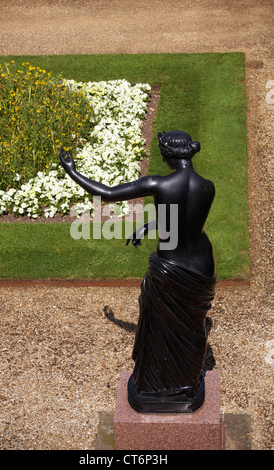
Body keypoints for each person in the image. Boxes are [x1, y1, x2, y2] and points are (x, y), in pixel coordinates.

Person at [59, 130, 217, 413]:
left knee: (160, 323)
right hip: (202, 265)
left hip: (171, 268)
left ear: (167, 156)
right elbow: (184, 221)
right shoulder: (207, 186)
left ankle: (158, 384)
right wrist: (149, 226)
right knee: (192, 325)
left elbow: (104, 193)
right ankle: (186, 383)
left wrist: (72, 171)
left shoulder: (159, 183)